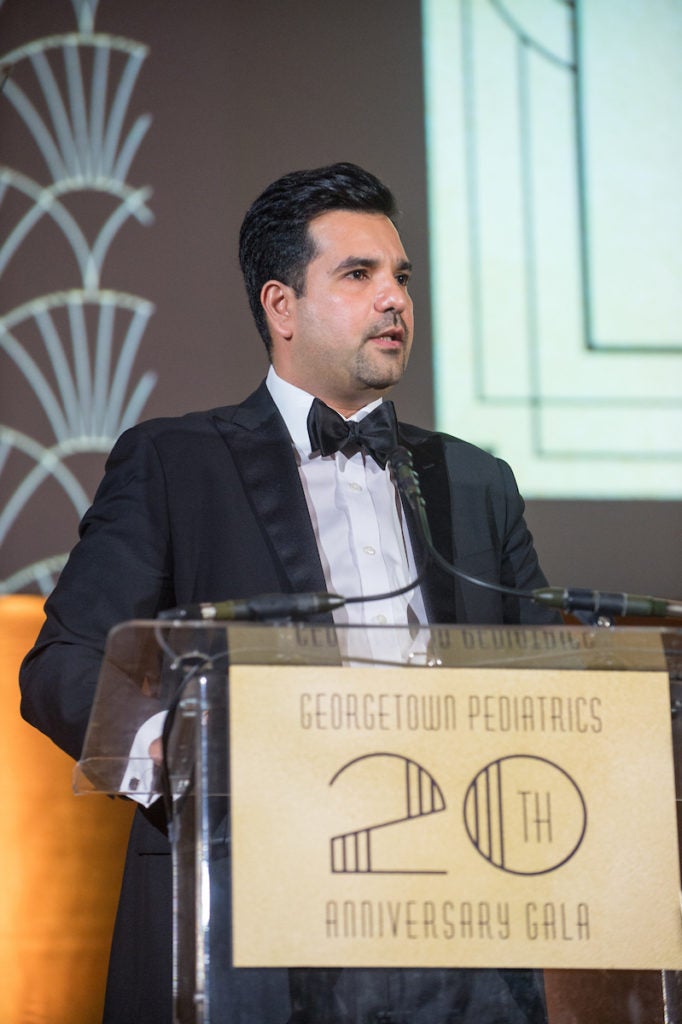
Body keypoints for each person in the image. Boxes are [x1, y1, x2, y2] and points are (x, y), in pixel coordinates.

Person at [20, 162, 556, 1023]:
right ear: (281, 306)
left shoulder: (475, 479)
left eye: (402, 278)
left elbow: (557, 675)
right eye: (359, 275)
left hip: (460, 933)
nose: (395, 301)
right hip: (246, 919)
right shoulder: (175, 463)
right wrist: (181, 754)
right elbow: (64, 665)